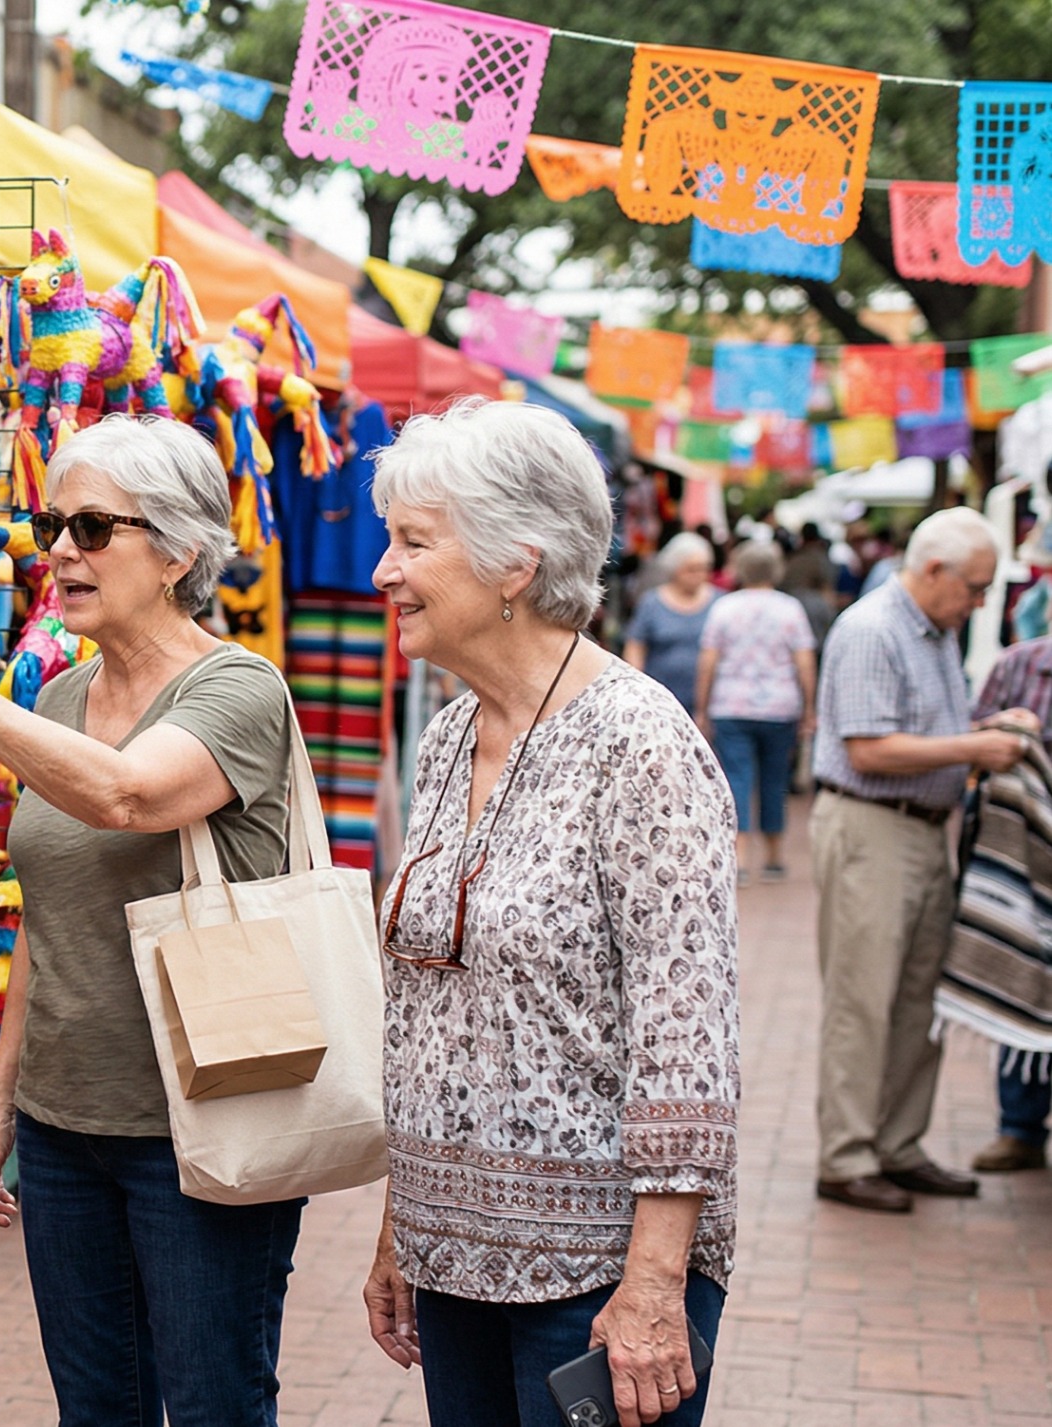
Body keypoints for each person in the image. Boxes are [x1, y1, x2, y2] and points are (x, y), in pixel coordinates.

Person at [0, 415, 303, 1427]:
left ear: (179, 552)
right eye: (50, 525)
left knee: (215, 1404)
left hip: (202, 1126)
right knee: (95, 1408)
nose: (60, 552)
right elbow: (45, 917)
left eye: (90, 527)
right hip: (67, 1126)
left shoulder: (239, 689)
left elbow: (126, 795)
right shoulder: (66, 694)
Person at [360, 400, 740, 1427]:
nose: (382, 570)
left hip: (596, 1282)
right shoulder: (445, 739)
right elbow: (428, 1005)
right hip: (452, 1265)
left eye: (413, 542)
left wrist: (656, 1283)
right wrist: (403, 1226)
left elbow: (687, 1037)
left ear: (512, 566)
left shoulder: (641, 745)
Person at [809, 505, 1038, 1213]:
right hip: (871, 826)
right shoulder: (873, 628)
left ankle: (898, 1144)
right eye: (973, 586)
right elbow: (868, 747)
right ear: (932, 569)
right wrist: (975, 747)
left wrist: (985, 731)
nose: (978, 601)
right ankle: (847, 1155)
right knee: (863, 998)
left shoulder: (935, 631)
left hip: (919, 828)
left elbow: (925, 732)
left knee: (917, 999)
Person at [964, 630, 1052, 1173]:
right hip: (1027, 856)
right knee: (1024, 975)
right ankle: (1019, 1127)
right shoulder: (1020, 664)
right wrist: (1002, 734)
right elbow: (970, 740)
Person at [695, 541, 819, 883]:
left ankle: (742, 857)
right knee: (774, 780)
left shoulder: (724, 608)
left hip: (731, 704)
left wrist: (702, 707)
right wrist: (810, 707)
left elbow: (708, 660)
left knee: (737, 778)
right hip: (780, 707)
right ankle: (775, 856)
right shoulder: (790, 609)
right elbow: (804, 661)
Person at [624, 531, 720, 712]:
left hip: (708, 703)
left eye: (704, 568)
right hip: (660, 701)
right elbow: (635, 646)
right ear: (674, 569)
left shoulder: (719, 602)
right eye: (691, 569)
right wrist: (636, 688)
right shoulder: (652, 603)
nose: (699, 575)